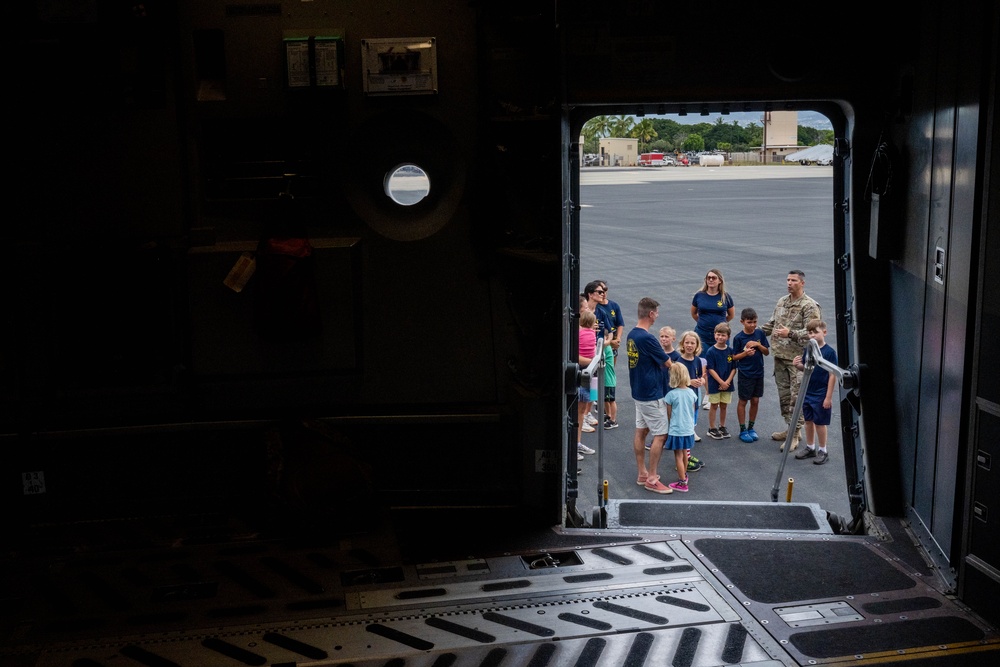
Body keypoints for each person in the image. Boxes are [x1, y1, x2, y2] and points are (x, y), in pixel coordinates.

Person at [760, 270, 822, 451]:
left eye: (793, 280)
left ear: (802, 283)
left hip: (798, 360)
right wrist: (751, 334)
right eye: (787, 279)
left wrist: (791, 333)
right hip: (780, 356)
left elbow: (813, 332)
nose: (789, 283)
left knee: (797, 398)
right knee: (785, 397)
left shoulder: (809, 306)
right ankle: (791, 428)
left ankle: (794, 435)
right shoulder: (782, 301)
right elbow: (771, 324)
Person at [626, 297, 674, 494]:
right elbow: (667, 362)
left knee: (641, 431)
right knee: (661, 435)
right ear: (651, 313)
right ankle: (652, 478)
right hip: (652, 394)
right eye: (656, 313)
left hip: (638, 391)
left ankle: (642, 473)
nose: (657, 316)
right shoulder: (647, 338)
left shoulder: (632, 335)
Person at [793, 319, 839, 465]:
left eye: (816, 332)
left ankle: (823, 450)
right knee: (808, 421)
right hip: (808, 390)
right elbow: (807, 368)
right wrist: (798, 365)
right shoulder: (808, 349)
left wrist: (828, 397)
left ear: (824, 333)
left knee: (820, 423)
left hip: (821, 392)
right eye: (810, 333)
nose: (812, 335)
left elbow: (833, 374)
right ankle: (810, 447)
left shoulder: (829, 352)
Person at [691, 269, 735, 407]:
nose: (710, 280)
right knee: (704, 366)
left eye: (713, 278)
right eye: (708, 278)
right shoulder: (699, 296)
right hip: (702, 336)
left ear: (719, 280)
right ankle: (709, 393)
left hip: (720, 338)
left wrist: (720, 328)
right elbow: (694, 313)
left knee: (720, 366)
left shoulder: (725, 297)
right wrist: (703, 324)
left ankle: (718, 392)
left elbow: (730, 315)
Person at [731, 307, 770, 443]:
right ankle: (742, 429)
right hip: (745, 374)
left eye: (754, 322)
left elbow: (766, 352)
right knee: (743, 401)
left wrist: (758, 345)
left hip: (759, 373)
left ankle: (751, 428)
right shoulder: (738, 338)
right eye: (749, 322)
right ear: (742, 322)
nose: (752, 325)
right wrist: (745, 353)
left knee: (755, 400)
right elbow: (734, 357)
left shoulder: (760, 334)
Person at [663, 363, 699, 492]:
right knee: (685, 453)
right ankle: (684, 475)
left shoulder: (671, 395)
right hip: (688, 429)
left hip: (677, 429)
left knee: (677, 455)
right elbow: (693, 410)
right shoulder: (691, 393)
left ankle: (682, 482)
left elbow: (669, 414)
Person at [597, 281, 624, 429]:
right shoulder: (596, 308)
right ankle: (605, 410)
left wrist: (616, 339)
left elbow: (619, 324)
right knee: (603, 384)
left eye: (605, 290)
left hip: (609, 345)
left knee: (609, 373)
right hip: (606, 344)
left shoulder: (613, 306)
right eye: (600, 291)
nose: (603, 293)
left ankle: (611, 417)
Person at [676, 331, 707, 451]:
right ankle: (684, 443)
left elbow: (700, 376)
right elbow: (676, 382)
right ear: (682, 344)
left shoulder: (698, 360)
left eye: (692, 343)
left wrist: (701, 381)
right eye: (687, 342)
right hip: (683, 396)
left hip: (694, 394)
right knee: (684, 417)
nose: (689, 345)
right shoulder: (679, 362)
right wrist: (689, 382)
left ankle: (691, 431)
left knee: (694, 414)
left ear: (697, 345)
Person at [705, 322, 736, 439]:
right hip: (715, 384)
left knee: (724, 406)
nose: (720, 337)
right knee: (714, 405)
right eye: (718, 334)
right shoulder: (711, 352)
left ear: (728, 336)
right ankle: (712, 428)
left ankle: (722, 426)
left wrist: (727, 381)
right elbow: (711, 369)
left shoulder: (731, 351)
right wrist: (721, 382)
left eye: (723, 335)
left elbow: (734, 368)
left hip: (727, 384)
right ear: (714, 335)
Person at [576, 309, 598, 460]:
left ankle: (577, 444)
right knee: (578, 411)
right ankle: (574, 446)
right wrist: (593, 362)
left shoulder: (580, 333)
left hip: (589, 377)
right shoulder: (590, 334)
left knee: (583, 408)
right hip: (584, 375)